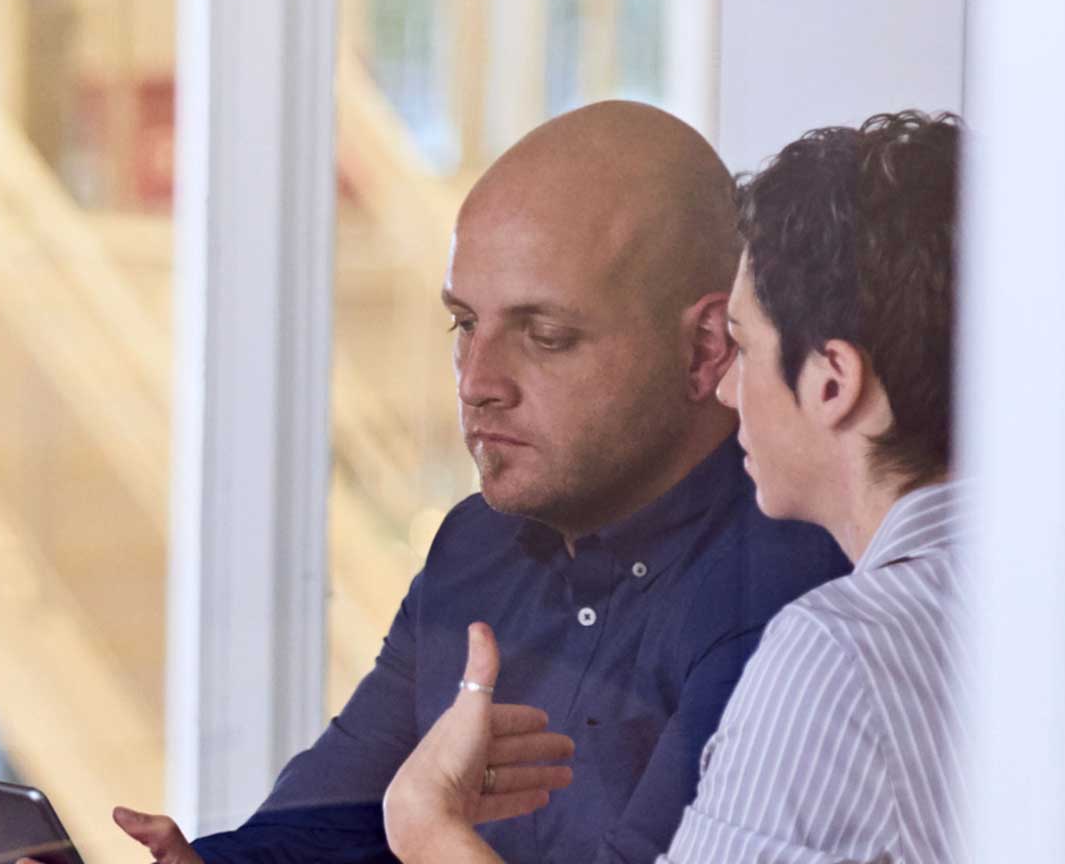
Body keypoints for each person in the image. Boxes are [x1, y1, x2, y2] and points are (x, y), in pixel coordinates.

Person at [108, 102, 852, 864]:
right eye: (465, 325)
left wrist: (428, 829)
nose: (477, 383)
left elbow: (411, 821)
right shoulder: (475, 545)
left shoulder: (792, 599)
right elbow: (323, 828)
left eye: (546, 335)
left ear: (704, 349)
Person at [384, 112, 966, 864]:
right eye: (464, 325)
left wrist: (427, 827)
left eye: (744, 349)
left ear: (832, 382)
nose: (725, 392)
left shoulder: (837, 652)